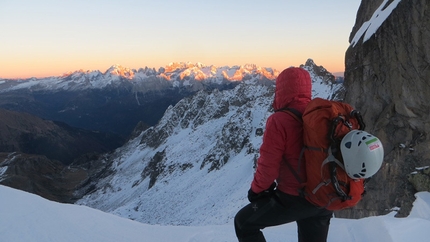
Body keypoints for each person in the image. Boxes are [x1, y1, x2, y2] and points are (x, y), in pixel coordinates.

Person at [234, 67, 333, 242]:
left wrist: (256, 190)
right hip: (325, 196)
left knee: (244, 223)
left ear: (281, 90)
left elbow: (268, 166)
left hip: (295, 197)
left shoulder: (279, 120)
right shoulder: (321, 115)